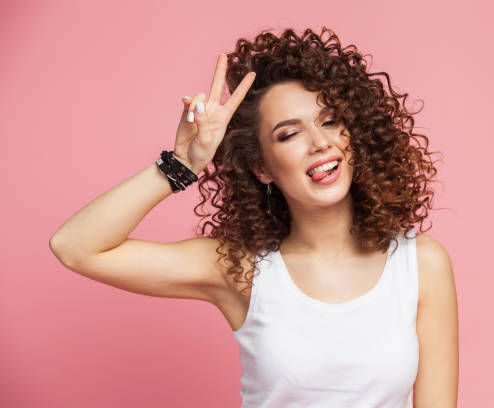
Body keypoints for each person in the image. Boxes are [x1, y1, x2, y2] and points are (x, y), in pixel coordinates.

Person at [50, 27, 458, 407]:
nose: (320, 143)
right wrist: (180, 164)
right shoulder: (243, 268)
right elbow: (75, 248)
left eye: (330, 121)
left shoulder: (420, 264)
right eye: (289, 134)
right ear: (261, 167)